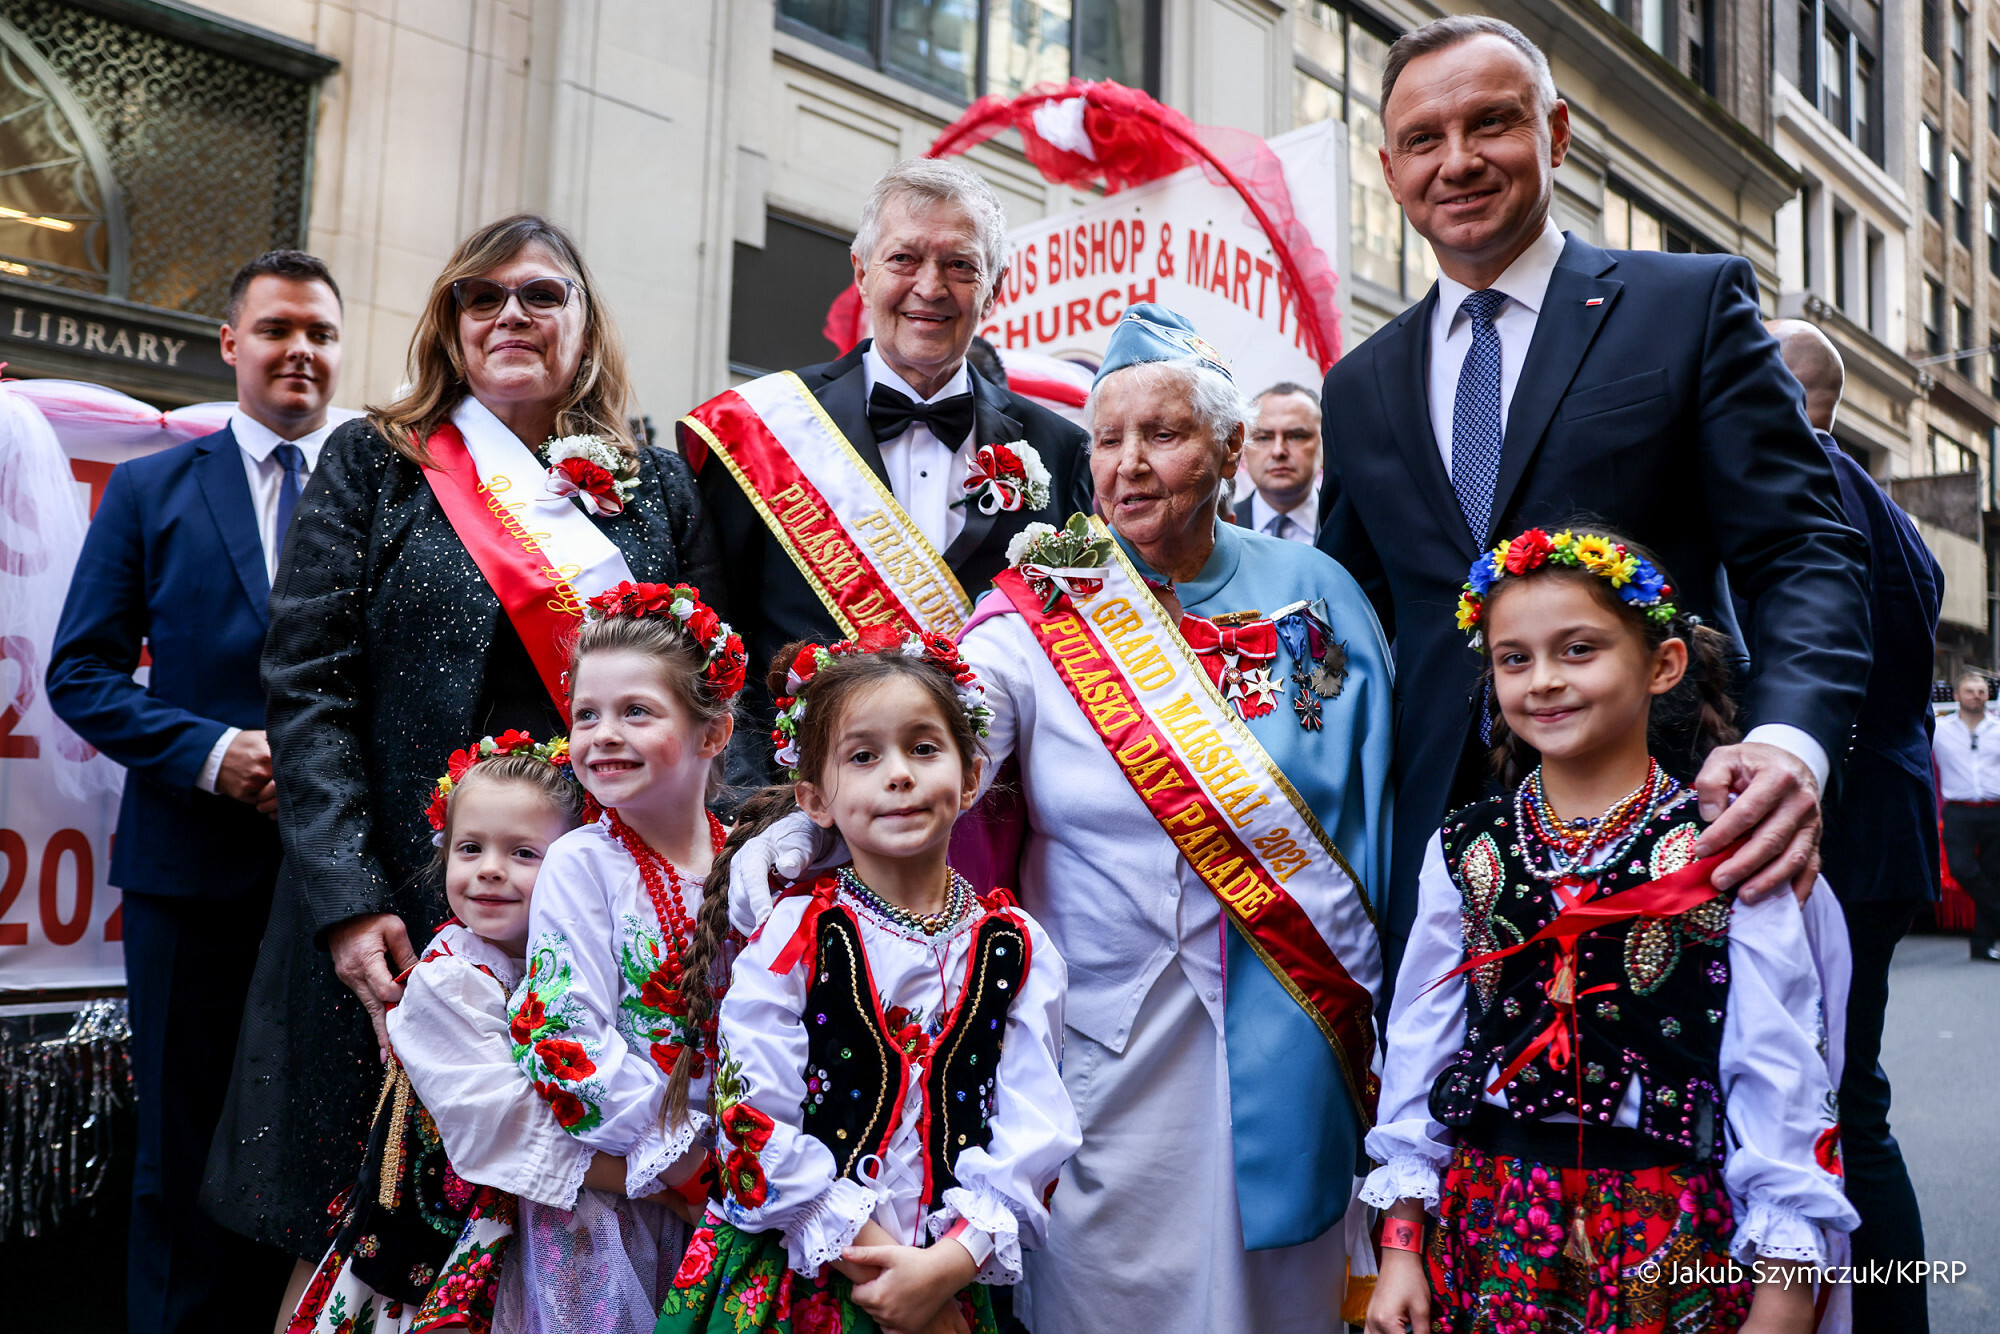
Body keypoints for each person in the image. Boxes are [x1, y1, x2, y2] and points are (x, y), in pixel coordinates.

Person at [732, 305, 1394, 1333]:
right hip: (1093, 1041)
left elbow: (1369, 806)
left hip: (1278, 1020)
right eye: (1109, 439)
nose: (1128, 464)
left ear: (1226, 450)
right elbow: (958, 726)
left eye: (1162, 435)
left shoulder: (1315, 595)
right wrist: (816, 821)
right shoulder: (1043, 604)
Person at [205, 216, 724, 1300]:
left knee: (580, 1208)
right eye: (480, 298)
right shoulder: (376, 463)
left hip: (601, 916)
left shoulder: (659, 485)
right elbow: (308, 687)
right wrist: (346, 897)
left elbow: (714, 689)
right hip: (400, 899)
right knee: (369, 1226)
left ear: (585, 321)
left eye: (541, 295)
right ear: (449, 324)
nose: (509, 316)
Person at [1315, 16, 1871, 980]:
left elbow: (1804, 552)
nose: (1457, 162)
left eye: (1491, 124)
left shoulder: (1690, 307)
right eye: (1422, 140)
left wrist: (1789, 745)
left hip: (1668, 827)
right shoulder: (1358, 384)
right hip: (1443, 864)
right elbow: (1343, 616)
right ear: (1390, 167)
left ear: (1557, 134)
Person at [1364, 526, 1857, 1334]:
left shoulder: (1720, 845)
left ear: (1663, 665)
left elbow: (1781, 1075)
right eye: (1514, 658)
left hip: (1669, 1228)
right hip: (1490, 1226)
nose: (1544, 681)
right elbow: (1422, 1046)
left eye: (1579, 649)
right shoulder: (1467, 847)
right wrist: (1403, 1244)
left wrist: (1785, 1289)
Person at [46, 249, 344, 1333]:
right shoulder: (151, 487)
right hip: (190, 872)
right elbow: (77, 672)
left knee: (321, 1144)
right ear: (232, 345)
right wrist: (213, 752)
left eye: (319, 331)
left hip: (339, 882)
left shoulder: (385, 488)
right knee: (179, 1148)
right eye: (275, 329)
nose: (299, 349)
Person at [657, 631, 1079, 1334]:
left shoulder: (1019, 950)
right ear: (815, 798)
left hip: (943, 1271)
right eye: (863, 756)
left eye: (923, 748)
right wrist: (901, 1277)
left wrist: (950, 1266)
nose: (899, 774)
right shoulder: (798, 936)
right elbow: (752, 1121)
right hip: (797, 1281)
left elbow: (1036, 1127)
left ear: (972, 776)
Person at [680, 159, 1093, 787]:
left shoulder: (1060, 448)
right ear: (861, 273)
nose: (930, 287)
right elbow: (716, 640)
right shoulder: (759, 430)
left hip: (995, 809)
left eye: (961, 265)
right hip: (795, 804)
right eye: (903, 259)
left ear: (996, 285)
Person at [288, 736, 598, 1334]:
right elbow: (508, 1119)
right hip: (430, 1256)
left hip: (526, 1231)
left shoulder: (572, 962)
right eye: (470, 848)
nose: (488, 869)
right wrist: (656, 1181)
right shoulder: (451, 977)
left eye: (524, 852)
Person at [506, 582, 745, 1327]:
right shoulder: (583, 864)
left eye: (635, 711)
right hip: (621, 1207)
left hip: (746, 1184)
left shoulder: (759, 862)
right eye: (585, 715)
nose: (602, 734)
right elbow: (562, 1035)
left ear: (712, 735)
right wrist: (687, 1162)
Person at [1767, 317, 1938, 1331]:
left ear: (1787, 391)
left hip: (1843, 833)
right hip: (1872, 831)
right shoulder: (1868, 498)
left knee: (1838, 1100)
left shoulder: (1811, 483)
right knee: (1844, 1091)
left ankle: (1876, 1313)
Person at [1935, 671, 2000, 962]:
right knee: (1961, 868)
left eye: (1981, 690)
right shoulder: (1939, 729)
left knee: (1993, 874)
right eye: (1970, 690)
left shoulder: (1998, 729)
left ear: (1989, 695)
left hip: (1995, 809)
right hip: (1959, 810)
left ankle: (1982, 945)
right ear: (1957, 695)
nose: (1976, 695)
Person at [1234, 381, 1321, 542]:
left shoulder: (1355, 527)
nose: (1278, 451)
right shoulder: (1217, 529)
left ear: (1325, 444)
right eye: (1264, 438)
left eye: (1296, 436)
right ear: (1243, 447)